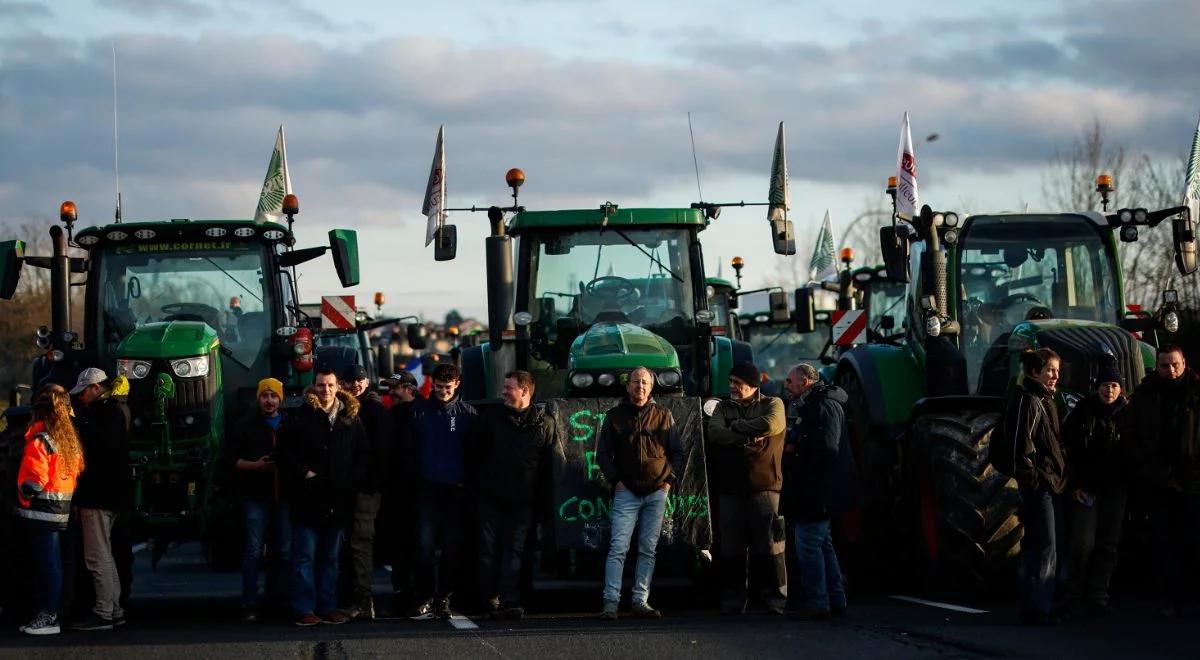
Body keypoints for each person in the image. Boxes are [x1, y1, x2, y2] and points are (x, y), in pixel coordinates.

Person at [277, 368, 369, 627]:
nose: (325, 390)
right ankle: (304, 608)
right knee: (304, 556)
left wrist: (351, 479)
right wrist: (304, 472)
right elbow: (284, 452)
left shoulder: (351, 417)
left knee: (330, 557)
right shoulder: (300, 416)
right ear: (313, 386)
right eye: (320, 385)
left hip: (338, 499)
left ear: (337, 386)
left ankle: (328, 606)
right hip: (308, 498)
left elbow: (363, 453)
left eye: (329, 385)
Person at [595, 367, 682, 620]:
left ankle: (640, 601)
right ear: (628, 386)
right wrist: (616, 481)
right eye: (636, 382)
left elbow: (678, 452)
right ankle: (610, 602)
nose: (640, 386)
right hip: (626, 493)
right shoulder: (614, 416)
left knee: (648, 549)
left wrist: (668, 482)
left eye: (645, 382)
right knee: (618, 548)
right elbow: (602, 454)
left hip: (657, 492)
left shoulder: (664, 416)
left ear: (652, 387)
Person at [1124, 344, 1200, 618]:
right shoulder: (1145, 396)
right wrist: (1150, 471)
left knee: (1192, 540)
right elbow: (1132, 439)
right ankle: (1169, 599)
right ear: (1156, 366)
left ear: (1184, 363)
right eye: (1165, 365)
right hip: (1158, 483)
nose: (1171, 370)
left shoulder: (1196, 393)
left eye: (1175, 365)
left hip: (1192, 482)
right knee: (1164, 544)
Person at [706, 362, 788, 615]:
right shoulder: (722, 407)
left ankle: (774, 600)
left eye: (737, 383)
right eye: (730, 381)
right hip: (730, 489)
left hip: (765, 486)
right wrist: (749, 434)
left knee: (771, 546)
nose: (731, 386)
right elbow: (715, 433)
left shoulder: (773, 404)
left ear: (752, 385)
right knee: (731, 549)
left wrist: (738, 428)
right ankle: (733, 601)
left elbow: (772, 425)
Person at [473, 370, 556, 620]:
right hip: (490, 497)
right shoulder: (491, 419)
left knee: (515, 550)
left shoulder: (545, 424)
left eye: (509, 388)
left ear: (525, 390)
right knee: (488, 549)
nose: (503, 392)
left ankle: (510, 600)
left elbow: (547, 466)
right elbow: (475, 455)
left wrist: (541, 501)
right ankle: (488, 599)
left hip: (523, 501)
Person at [15, 384, 86, 636]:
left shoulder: (40, 441)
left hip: (41, 512)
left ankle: (48, 617)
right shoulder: (69, 442)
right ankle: (54, 613)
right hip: (62, 511)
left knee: (47, 567)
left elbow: (35, 480)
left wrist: (23, 495)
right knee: (57, 565)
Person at [781, 363, 849, 620]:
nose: (786, 386)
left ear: (805, 382)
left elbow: (827, 451)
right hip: (817, 489)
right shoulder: (813, 405)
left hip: (817, 490)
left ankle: (819, 602)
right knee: (822, 544)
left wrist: (797, 459)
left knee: (808, 545)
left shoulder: (823, 406)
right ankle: (834, 598)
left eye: (790, 381)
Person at [409, 363, 477, 619]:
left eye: (447, 387)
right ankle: (426, 596)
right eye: (438, 387)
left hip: (455, 491)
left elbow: (474, 454)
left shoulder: (468, 414)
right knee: (425, 547)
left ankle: (445, 598)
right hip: (427, 489)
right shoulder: (419, 412)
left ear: (457, 384)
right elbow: (410, 451)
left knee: (451, 547)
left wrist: (465, 482)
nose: (443, 392)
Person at [1061, 358, 1127, 616]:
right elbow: (1067, 448)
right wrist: (1073, 484)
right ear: (1096, 387)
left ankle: (1098, 594)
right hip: (1085, 488)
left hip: (1115, 489)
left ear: (1120, 389)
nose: (1108, 390)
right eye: (1104, 385)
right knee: (1082, 542)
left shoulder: (1128, 415)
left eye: (1113, 385)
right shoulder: (1082, 412)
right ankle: (1072, 592)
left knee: (1108, 544)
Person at [1005, 348, 1067, 626]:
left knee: (1042, 543)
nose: (1055, 376)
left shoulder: (1045, 399)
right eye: (1050, 370)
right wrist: (1037, 479)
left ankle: (1037, 603)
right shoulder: (1029, 401)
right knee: (1046, 544)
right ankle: (1038, 607)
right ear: (1034, 372)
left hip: (1047, 484)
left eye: (1057, 370)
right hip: (1039, 486)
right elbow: (1021, 449)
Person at [225, 377, 291, 624]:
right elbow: (232, 460)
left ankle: (280, 600)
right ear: (258, 398)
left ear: (280, 399)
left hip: (284, 497)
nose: (269, 400)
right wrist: (256, 466)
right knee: (253, 552)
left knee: (284, 551)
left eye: (273, 396)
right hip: (255, 497)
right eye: (265, 396)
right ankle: (250, 603)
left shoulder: (289, 424)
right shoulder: (245, 425)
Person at [70, 369, 131, 632]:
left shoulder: (104, 414)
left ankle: (104, 612)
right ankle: (114, 610)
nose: (81, 397)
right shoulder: (119, 410)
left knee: (97, 557)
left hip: (97, 495)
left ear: (96, 387)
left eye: (84, 391)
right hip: (113, 494)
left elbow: (96, 456)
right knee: (106, 555)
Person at [339, 364, 393, 621]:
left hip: (366, 489)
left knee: (360, 542)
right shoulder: (348, 407)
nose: (355, 384)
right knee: (352, 543)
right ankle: (356, 598)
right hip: (352, 487)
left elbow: (381, 454)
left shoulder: (374, 410)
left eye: (359, 380)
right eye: (350, 380)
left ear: (367, 382)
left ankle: (363, 600)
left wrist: (370, 483)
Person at [379, 370, 421, 610]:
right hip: (395, 493)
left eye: (395, 387)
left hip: (419, 492)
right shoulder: (390, 415)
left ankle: (418, 594)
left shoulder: (423, 413)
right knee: (399, 547)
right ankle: (402, 593)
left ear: (409, 389)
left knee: (419, 545)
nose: (390, 392)